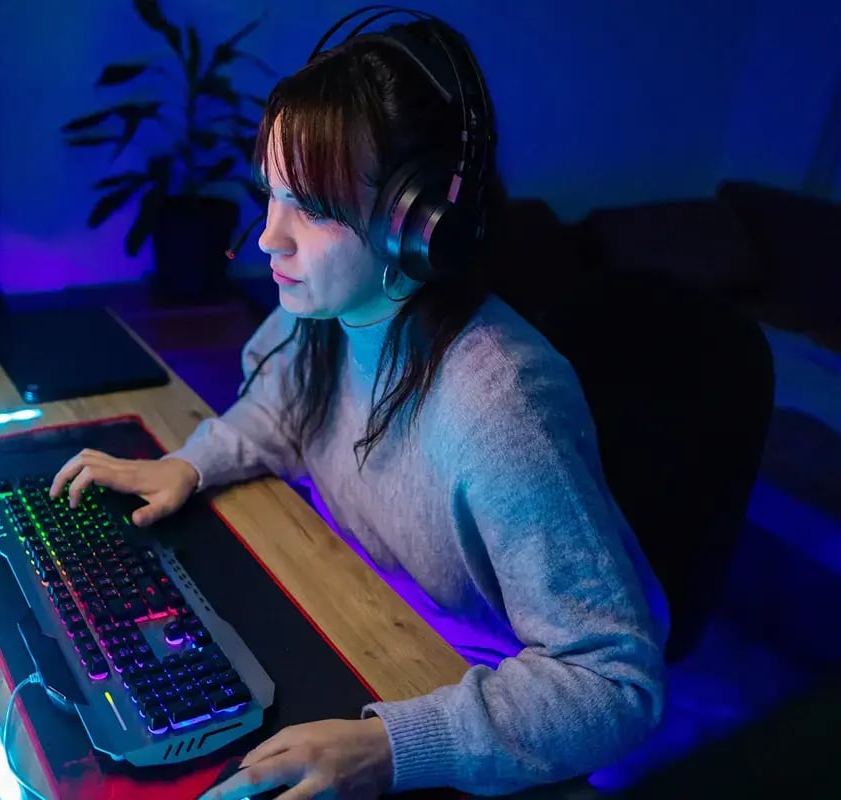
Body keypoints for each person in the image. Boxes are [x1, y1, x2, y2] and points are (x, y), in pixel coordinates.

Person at [49, 14, 669, 800]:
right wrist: (188, 463)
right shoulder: (332, 311)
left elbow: (615, 680)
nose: (270, 238)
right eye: (269, 194)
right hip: (367, 618)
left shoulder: (499, 407)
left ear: (418, 226)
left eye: (310, 205)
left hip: (478, 690)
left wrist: (393, 746)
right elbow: (279, 407)